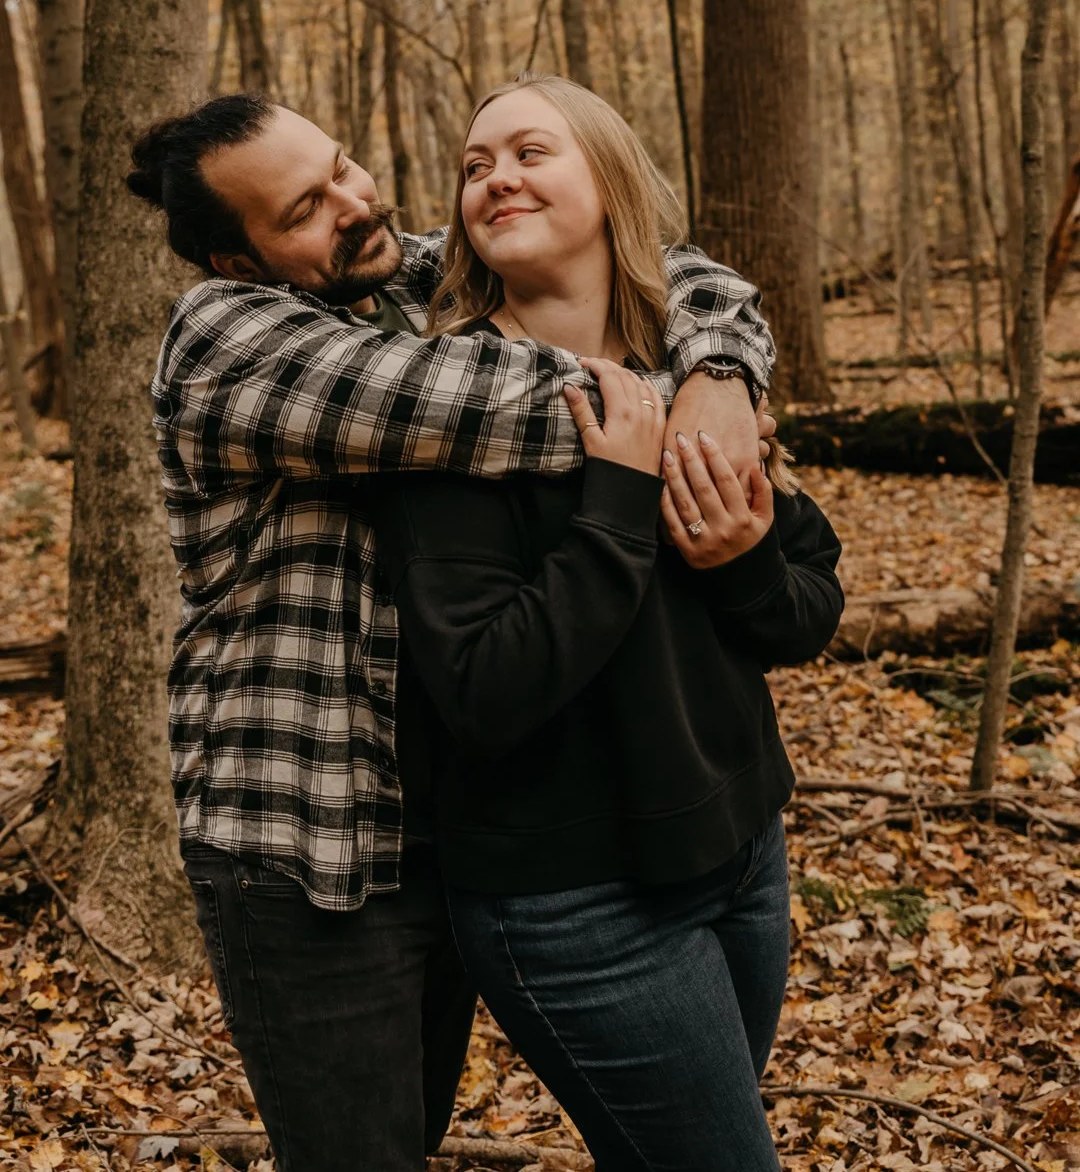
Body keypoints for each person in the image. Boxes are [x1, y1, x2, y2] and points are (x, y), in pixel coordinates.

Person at [126, 90, 777, 1172]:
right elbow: (498, 401)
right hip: (316, 852)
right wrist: (698, 418)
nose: (352, 203)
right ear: (240, 261)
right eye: (304, 209)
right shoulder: (226, 337)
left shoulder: (398, 278)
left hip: (457, 828)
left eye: (341, 165)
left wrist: (720, 371)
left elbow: (672, 269)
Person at [371, 73, 844, 1172]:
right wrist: (620, 500)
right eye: (475, 166)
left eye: (530, 152)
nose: (496, 178)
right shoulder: (448, 409)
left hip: (743, 853)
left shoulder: (691, 374)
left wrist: (741, 559)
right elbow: (483, 688)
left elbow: (805, 606)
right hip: (573, 902)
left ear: (610, 178)